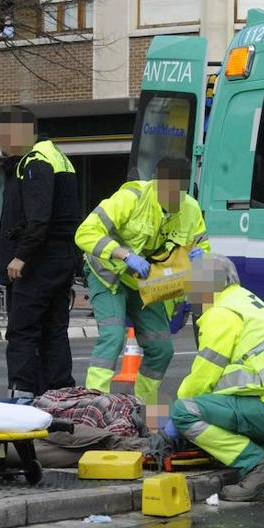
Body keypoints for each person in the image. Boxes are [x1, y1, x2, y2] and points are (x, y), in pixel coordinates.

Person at [165, 253, 264, 502]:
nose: (190, 298)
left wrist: (176, 417)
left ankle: (258, 468)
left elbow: (203, 375)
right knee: (238, 418)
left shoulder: (221, 313)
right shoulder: (247, 302)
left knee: (185, 411)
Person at [75, 156, 210, 405]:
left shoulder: (190, 209)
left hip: (145, 282)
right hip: (107, 274)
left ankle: (142, 406)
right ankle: (95, 404)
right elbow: (85, 232)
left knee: (161, 349)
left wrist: (201, 258)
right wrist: (124, 255)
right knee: (113, 337)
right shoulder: (131, 199)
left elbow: (203, 246)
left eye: (178, 191)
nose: (172, 197)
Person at [0, 106, 80, 399]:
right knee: (53, 330)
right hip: (59, 260)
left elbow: (37, 218)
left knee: (23, 331)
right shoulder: (58, 158)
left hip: (37, 264)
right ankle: (60, 395)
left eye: (3, 136)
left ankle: (23, 393)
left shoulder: (33, 162)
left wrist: (20, 256)